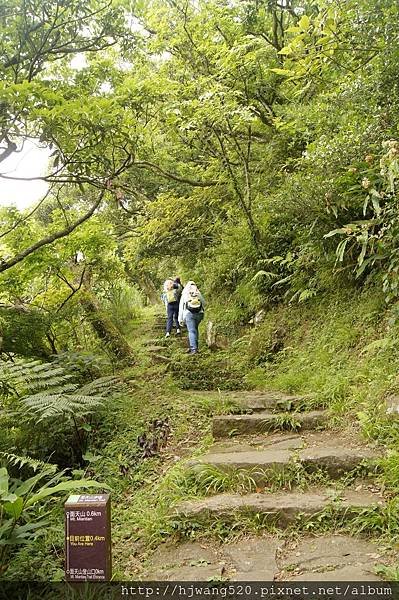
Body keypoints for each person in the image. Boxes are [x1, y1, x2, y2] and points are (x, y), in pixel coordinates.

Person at [178, 281, 205, 354]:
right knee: (195, 329)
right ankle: (196, 347)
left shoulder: (185, 294)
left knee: (191, 331)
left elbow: (181, 307)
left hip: (189, 314)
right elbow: (204, 303)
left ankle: (193, 349)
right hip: (199, 314)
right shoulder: (198, 293)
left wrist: (180, 319)